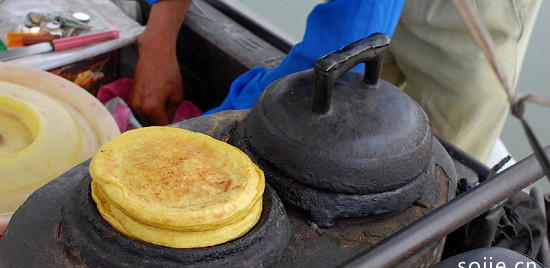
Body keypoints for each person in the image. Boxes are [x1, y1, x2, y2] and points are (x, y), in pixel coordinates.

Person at [129, 0, 541, 164]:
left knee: (427, 162)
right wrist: (161, 32)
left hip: (473, 16)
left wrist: (193, 139)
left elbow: (327, 59)